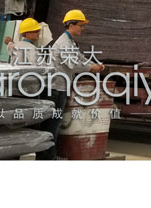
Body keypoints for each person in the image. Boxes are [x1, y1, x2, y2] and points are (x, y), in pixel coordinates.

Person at [36, 9, 105, 161]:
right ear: (71, 25)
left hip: (59, 87)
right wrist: (91, 68)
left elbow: (79, 57)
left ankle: (45, 156)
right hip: (55, 89)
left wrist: (94, 64)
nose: (82, 28)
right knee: (52, 125)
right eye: (81, 25)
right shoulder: (64, 43)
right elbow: (73, 65)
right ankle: (48, 158)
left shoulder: (70, 42)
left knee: (53, 124)